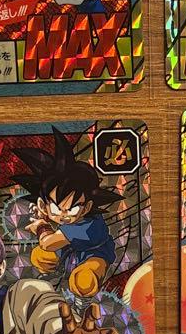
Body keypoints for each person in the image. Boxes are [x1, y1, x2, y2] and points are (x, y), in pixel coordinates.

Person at [13, 127, 119, 299]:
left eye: (72, 208)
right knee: (39, 256)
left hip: (93, 257)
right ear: (43, 204)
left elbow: (48, 243)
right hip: (68, 253)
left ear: (86, 207)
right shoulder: (65, 219)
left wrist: (41, 226)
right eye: (56, 207)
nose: (63, 214)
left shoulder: (89, 225)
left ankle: (83, 287)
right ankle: (56, 272)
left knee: (84, 281)